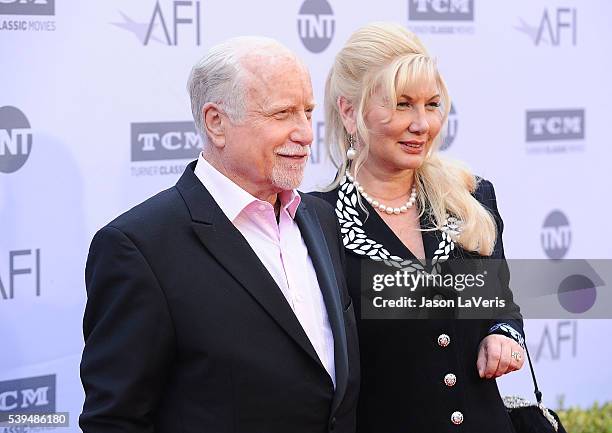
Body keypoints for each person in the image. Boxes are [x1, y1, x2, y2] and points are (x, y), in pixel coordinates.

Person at [79, 37, 359, 433]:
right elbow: (115, 420)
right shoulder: (139, 247)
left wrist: (482, 324)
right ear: (216, 122)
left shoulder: (319, 218)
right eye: (282, 114)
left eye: (307, 112)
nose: (306, 133)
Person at [314, 22, 525, 432]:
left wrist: (504, 336)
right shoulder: (316, 222)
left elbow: (500, 304)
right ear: (348, 111)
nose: (422, 124)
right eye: (401, 104)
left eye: (431, 104)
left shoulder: (471, 199)